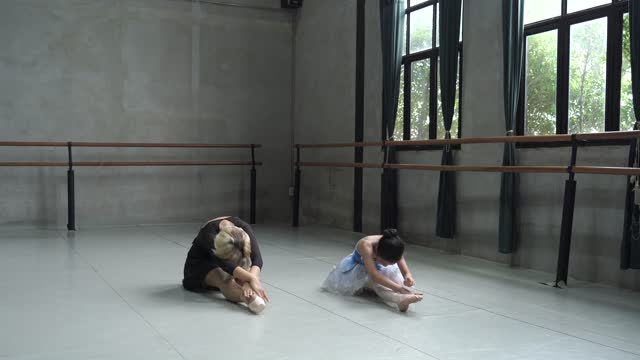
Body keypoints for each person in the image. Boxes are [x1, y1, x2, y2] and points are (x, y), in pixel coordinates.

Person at [182, 216, 269, 314]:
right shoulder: (209, 235)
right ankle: (247, 297)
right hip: (201, 265)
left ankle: (248, 290)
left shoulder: (244, 228)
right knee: (224, 279)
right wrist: (250, 280)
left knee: (247, 267)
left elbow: (257, 259)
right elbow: (227, 266)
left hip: (228, 262)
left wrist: (250, 280)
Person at [322, 229, 423, 312]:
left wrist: (407, 275)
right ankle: (399, 300)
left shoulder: (393, 244)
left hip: (377, 267)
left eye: (391, 263)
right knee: (376, 283)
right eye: (385, 262)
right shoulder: (366, 245)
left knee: (397, 281)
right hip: (361, 268)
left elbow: (399, 259)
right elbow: (374, 274)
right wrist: (400, 289)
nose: (388, 265)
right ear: (377, 252)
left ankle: (402, 300)